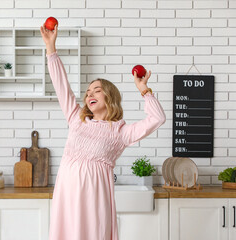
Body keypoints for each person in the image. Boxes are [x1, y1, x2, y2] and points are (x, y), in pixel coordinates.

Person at [40, 23, 166, 240]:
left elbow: (158, 118)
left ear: (109, 97)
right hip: (67, 190)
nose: (90, 93)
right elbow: (62, 86)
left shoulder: (121, 132)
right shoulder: (76, 118)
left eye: (97, 90)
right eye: (88, 91)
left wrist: (144, 90)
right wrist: (51, 49)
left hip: (94, 196)